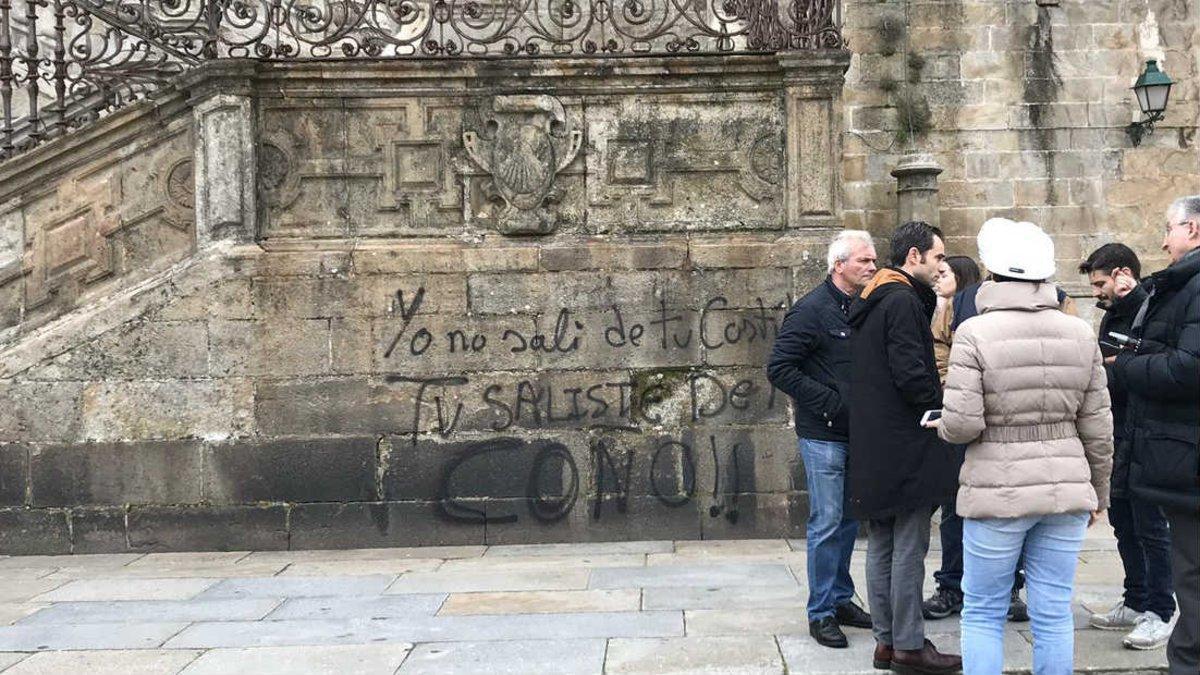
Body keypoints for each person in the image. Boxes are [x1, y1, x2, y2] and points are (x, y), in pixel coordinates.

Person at [937, 218, 1113, 675]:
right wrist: (1099, 492)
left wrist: (940, 426)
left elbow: (961, 425)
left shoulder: (974, 333)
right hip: (1067, 488)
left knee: (983, 610)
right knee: (1054, 611)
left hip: (997, 488)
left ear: (992, 275)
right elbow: (1098, 426)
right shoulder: (1079, 333)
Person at [925, 257, 1079, 624]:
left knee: (985, 612)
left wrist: (949, 423)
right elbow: (940, 349)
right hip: (1003, 445)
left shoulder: (1062, 305)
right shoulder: (966, 306)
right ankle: (952, 584)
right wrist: (953, 389)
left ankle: (1007, 588)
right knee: (1054, 614)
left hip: (1026, 448)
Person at [846, 220, 961, 674]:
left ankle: (886, 642)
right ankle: (910, 645)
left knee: (882, 545)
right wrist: (937, 409)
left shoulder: (873, 299)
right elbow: (912, 372)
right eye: (936, 258)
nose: (941, 267)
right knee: (909, 546)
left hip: (875, 442)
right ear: (913, 257)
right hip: (905, 440)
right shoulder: (901, 301)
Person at [767, 231, 877, 648]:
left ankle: (842, 598)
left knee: (849, 520)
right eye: (864, 261)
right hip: (824, 435)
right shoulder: (811, 311)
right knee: (827, 521)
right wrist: (829, 402)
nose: (871, 266)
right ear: (839, 266)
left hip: (857, 432)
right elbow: (779, 367)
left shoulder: (863, 306)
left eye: (873, 260)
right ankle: (821, 612)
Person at [1108, 196, 1200, 675]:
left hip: (1185, 452)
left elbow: (1190, 367)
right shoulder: (1180, 285)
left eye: (1170, 230)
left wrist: (1129, 365)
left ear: (1194, 229)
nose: (1163, 241)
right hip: (1174, 448)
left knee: (1191, 572)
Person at [1079, 243, 1175, 650]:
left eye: (1100, 283)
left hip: (1144, 434)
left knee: (1151, 528)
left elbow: (1140, 362)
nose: (1096, 291)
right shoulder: (1113, 316)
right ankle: (1136, 600)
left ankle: (1161, 609)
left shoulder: (1146, 310)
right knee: (1124, 525)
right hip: (1117, 435)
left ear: (1121, 275)